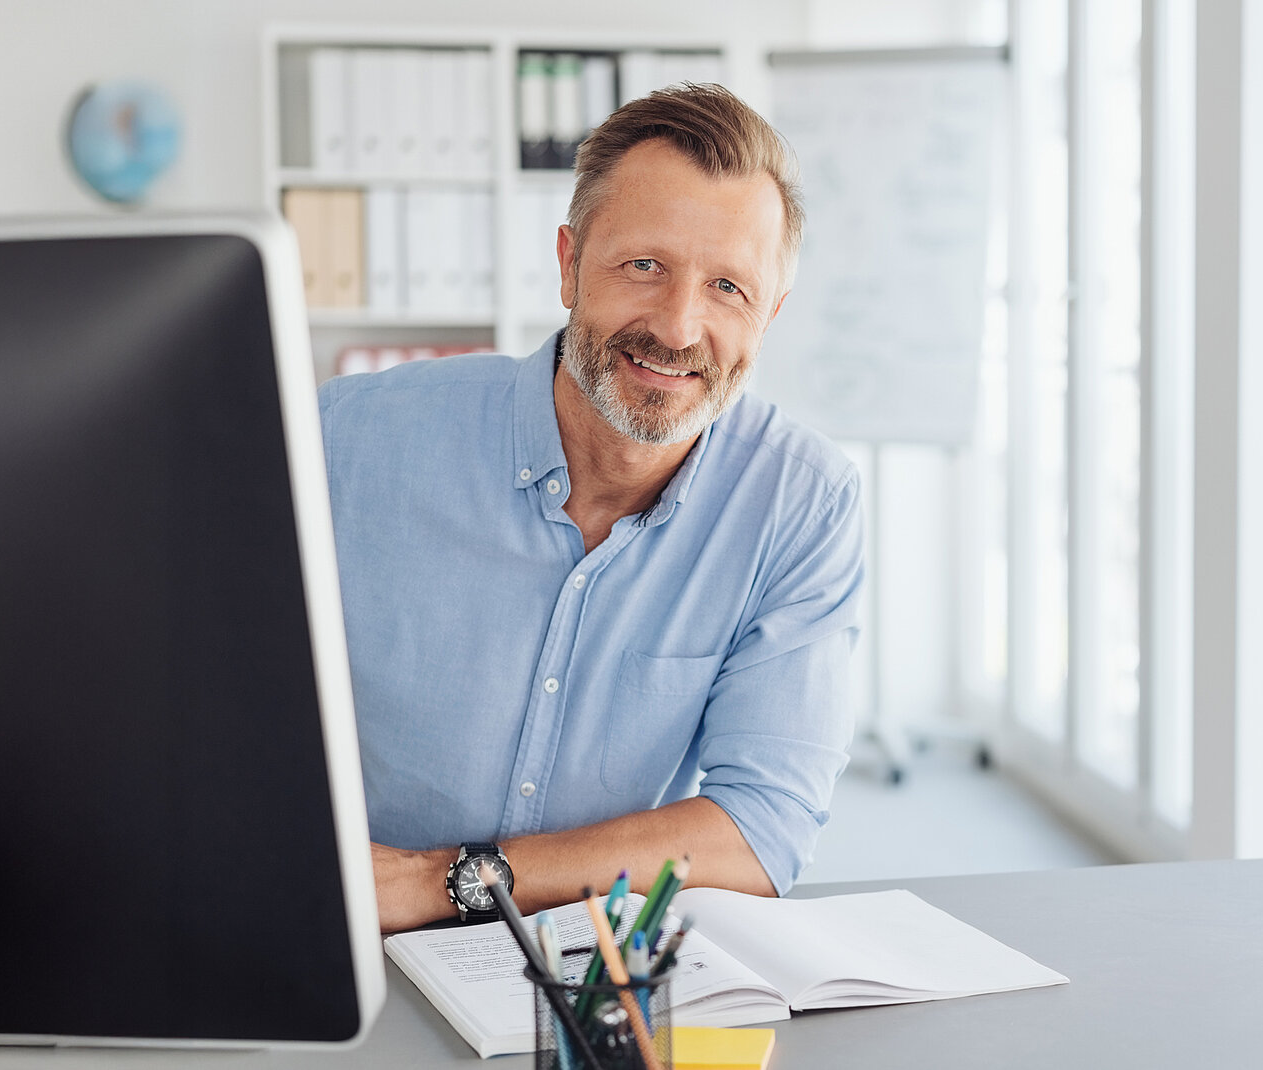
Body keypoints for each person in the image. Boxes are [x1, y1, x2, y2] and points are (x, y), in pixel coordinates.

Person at [318, 83, 864, 933]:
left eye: (728, 287)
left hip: (597, 959)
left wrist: (450, 881)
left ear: (771, 315)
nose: (679, 327)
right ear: (570, 264)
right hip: (347, 931)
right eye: (644, 267)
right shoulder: (344, 441)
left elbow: (761, 831)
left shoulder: (801, 503)